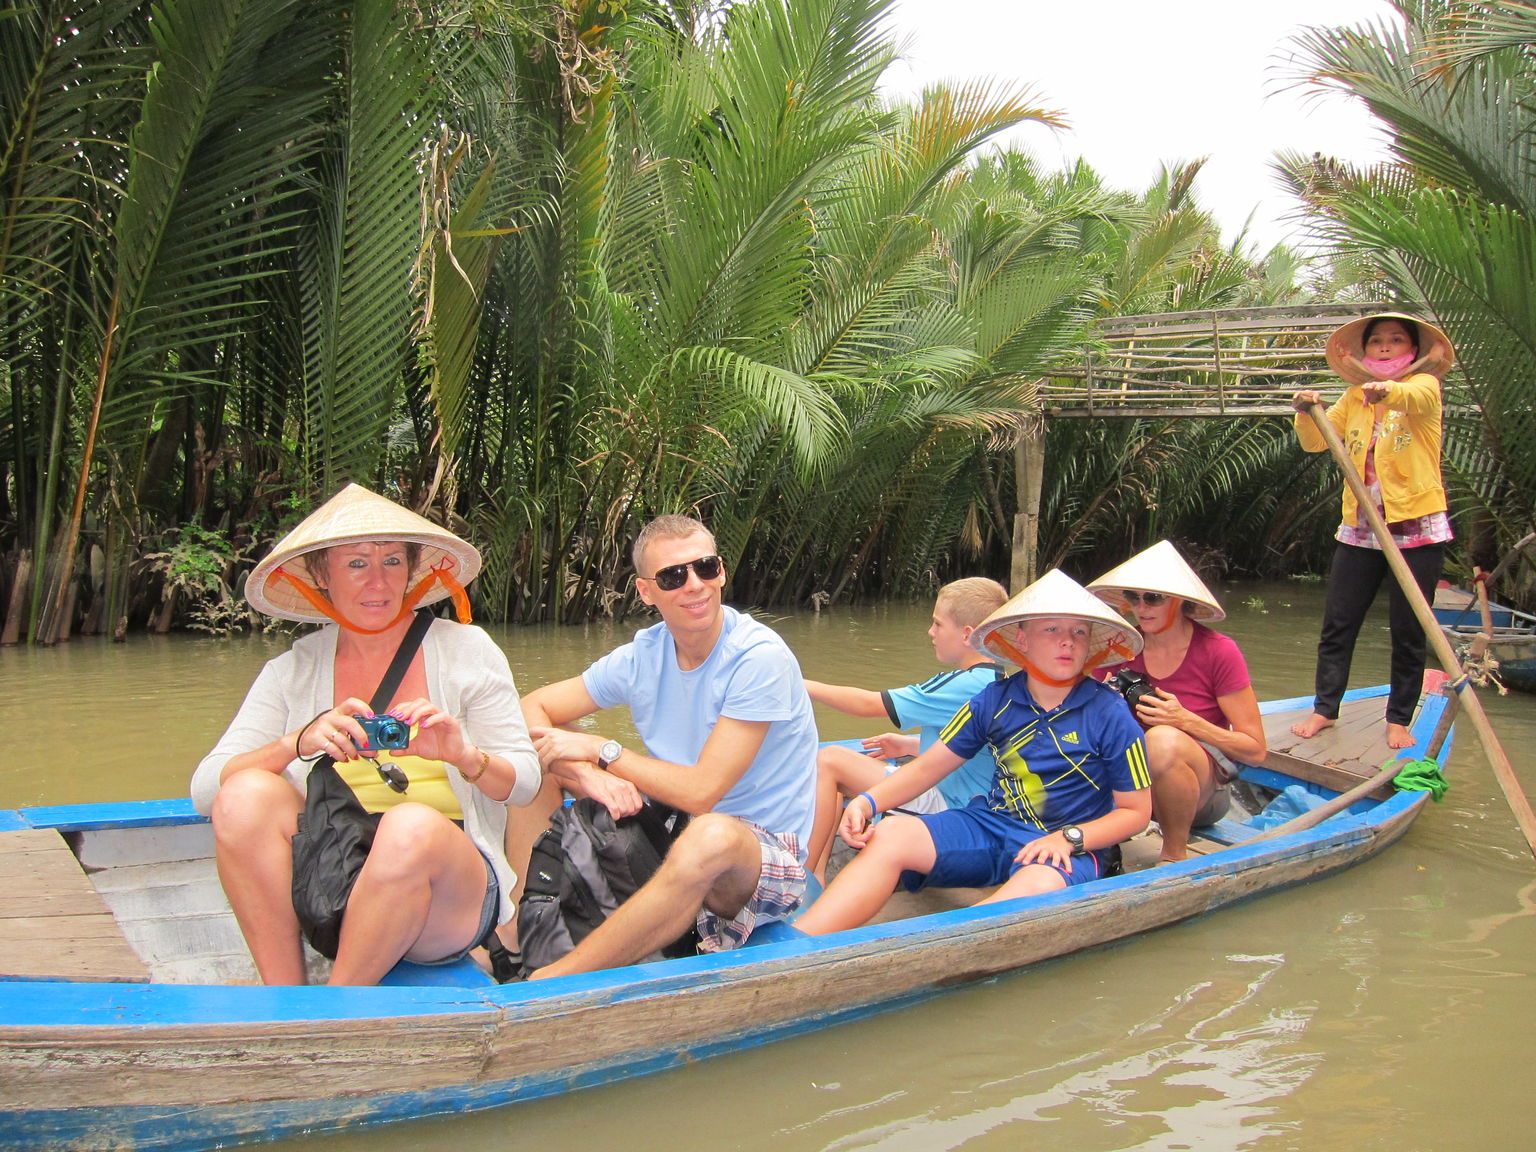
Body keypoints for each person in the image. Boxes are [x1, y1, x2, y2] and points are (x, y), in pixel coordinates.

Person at [190, 484, 541, 986]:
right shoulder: (291, 671)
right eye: (356, 563)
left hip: (445, 900)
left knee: (410, 826)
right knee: (243, 793)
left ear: (412, 571)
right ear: (321, 575)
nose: (377, 581)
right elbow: (207, 791)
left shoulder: (466, 651)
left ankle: (337, 1007)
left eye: (393, 561)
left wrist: (465, 755)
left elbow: (525, 783)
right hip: (334, 882)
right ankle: (285, 997)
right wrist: (298, 741)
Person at [512, 514, 818, 978]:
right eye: (673, 576)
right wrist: (584, 773)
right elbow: (531, 707)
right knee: (533, 768)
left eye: (706, 568)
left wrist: (602, 751)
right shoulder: (643, 655)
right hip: (676, 827)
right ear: (645, 591)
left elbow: (702, 793)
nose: (694, 585)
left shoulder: (759, 657)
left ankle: (553, 981)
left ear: (722, 572)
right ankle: (519, 937)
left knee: (711, 833)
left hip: (758, 854)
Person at [794, 569, 1151, 936]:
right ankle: (797, 944)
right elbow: (926, 769)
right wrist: (867, 803)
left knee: (1033, 887)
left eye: (1078, 631)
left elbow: (1136, 813)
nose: (1068, 642)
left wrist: (1070, 838)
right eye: (1052, 630)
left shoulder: (1110, 713)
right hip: (993, 825)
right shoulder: (993, 701)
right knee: (891, 836)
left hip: (1068, 846)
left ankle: (941, 948)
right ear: (1022, 640)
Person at [1290, 312, 1456, 749]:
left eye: (1395, 339)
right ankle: (1325, 709)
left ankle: (1398, 719)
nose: (1384, 346)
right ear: (1364, 351)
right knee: (1339, 624)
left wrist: (1386, 390)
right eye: (1377, 340)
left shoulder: (1424, 387)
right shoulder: (1352, 397)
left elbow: (1412, 398)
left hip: (1415, 527)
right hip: (1362, 527)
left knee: (1408, 628)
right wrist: (1308, 412)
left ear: (1412, 350)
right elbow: (1316, 440)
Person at [801, 577, 1007, 881]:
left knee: (828, 761)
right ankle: (816, 875)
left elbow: (871, 705)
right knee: (832, 781)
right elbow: (971, 745)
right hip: (967, 799)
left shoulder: (965, 685)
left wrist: (803, 685)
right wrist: (910, 745)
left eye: (938, 624)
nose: (930, 632)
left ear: (967, 635)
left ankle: (804, 879)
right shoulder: (995, 679)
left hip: (952, 806)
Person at [1088, 540, 1266, 863]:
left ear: (1180, 602)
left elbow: (1255, 749)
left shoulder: (1218, 651)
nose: (1141, 608)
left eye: (1153, 598)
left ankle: (1173, 855)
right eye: (1133, 597)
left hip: (1201, 792)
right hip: (1128, 783)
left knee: (1163, 741)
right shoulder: (1120, 647)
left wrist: (1185, 721)